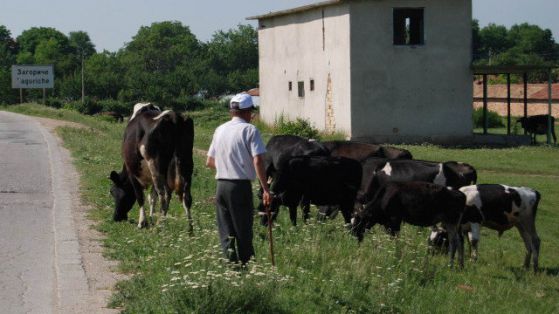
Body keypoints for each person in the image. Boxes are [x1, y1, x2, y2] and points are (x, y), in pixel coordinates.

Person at [206, 93, 271, 265]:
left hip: (221, 186)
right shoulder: (250, 130)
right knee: (243, 228)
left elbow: (210, 161)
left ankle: (230, 263)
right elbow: (258, 160)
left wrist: (227, 167)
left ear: (232, 111)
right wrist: (265, 188)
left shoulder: (219, 129)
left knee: (226, 228)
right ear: (247, 112)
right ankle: (246, 264)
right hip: (239, 186)